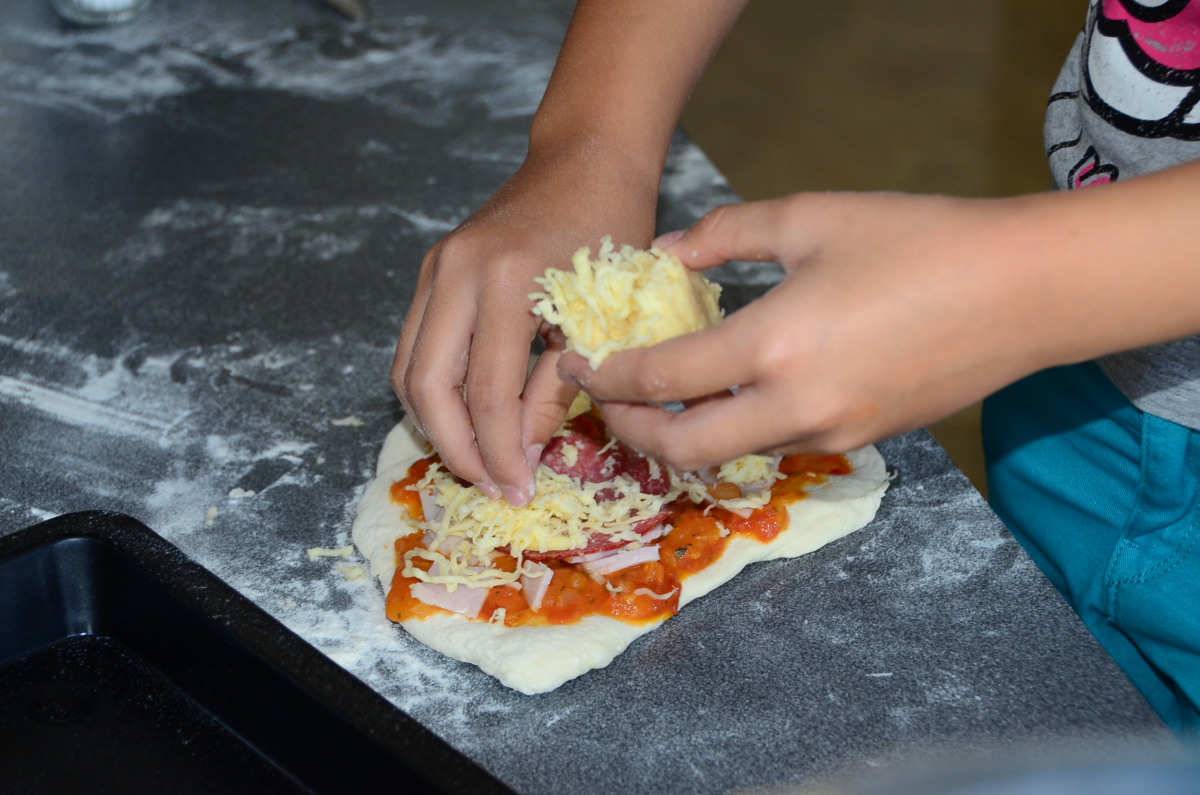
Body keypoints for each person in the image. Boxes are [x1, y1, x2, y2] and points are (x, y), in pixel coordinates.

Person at [392, 0, 1200, 735]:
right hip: (1069, 403)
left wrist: (1021, 290)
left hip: (1046, 318)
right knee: (1060, 714)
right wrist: (597, 139)